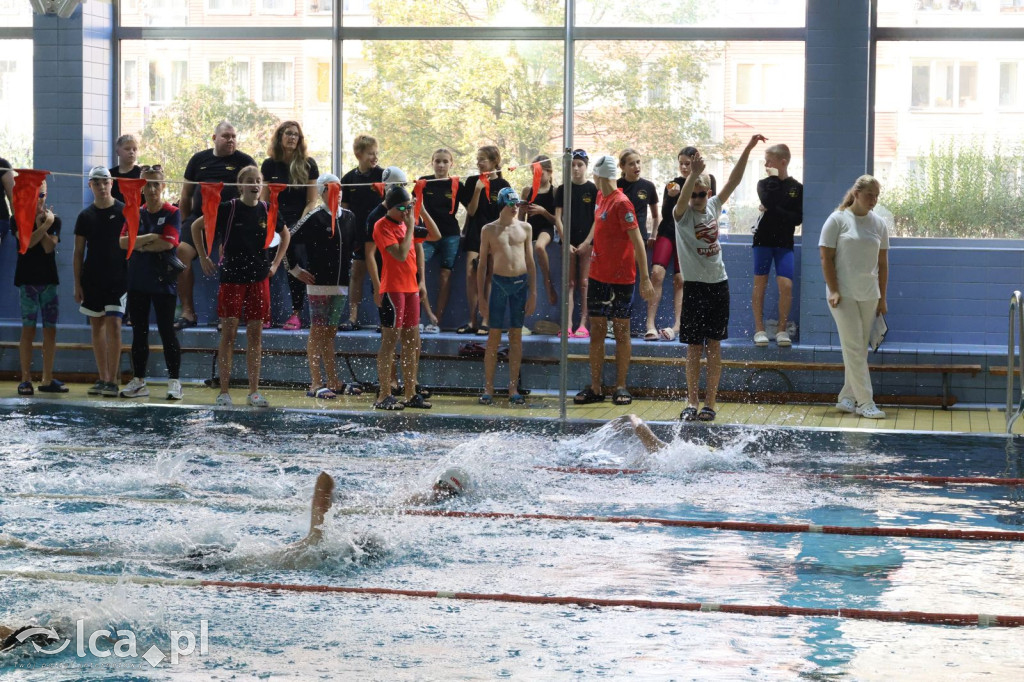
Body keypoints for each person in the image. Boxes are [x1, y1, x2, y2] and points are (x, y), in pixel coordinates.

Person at [674, 135, 765, 422]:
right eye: (694, 195)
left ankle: (710, 403)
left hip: (718, 285)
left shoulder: (713, 206)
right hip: (694, 287)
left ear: (709, 193)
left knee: (713, 345)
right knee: (693, 347)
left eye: (703, 194)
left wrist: (748, 149)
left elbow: (735, 181)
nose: (699, 200)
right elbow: (682, 200)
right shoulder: (682, 215)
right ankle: (691, 401)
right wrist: (694, 177)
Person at [193, 165, 289, 408]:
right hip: (232, 279)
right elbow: (196, 227)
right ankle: (224, 391)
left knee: (255, 337)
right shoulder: (229, 208)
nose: (255, 184)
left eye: (258, 180)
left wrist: (276, 264)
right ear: (240, 185)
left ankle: (253, 392)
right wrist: (204, 256)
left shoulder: (268, 210)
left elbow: (285, 234)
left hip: (259, 278)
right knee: (229, 335)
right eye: (249, 181)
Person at [573, 155, 655, 407]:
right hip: (598, 276)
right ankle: (596, 387)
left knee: (621, 332)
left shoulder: (622, 203)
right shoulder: (600, 197)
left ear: (600, 176)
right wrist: (587, 243)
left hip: (621, 279)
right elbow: (597, 226)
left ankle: (621, 386)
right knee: (596, 332)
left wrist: (645, 279)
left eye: (594, 177)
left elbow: (639, 242)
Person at [174, 121, 257, 329]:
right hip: (199, 218)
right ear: (214, 138)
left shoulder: (245, 161)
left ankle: (227, 315)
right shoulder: (198, 160)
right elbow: (185, 195)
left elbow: (257, 193)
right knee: (181, 252)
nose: (231, 140)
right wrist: (184, 222)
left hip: (232, 218)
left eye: (233, 136)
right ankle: (187, 312)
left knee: (229, 255)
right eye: (226, 136)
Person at [819, 175, 889, 420]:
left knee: (859, 349)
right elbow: (825, 258)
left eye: (877, 196)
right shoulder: (837, 220)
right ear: (856, 193)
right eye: (870, 195)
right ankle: (866, 402)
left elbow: (883, 263)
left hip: (869, 294)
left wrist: (882, 298)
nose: (874, 200)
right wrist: (834, 289)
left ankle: (847, 397)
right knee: (854, 348)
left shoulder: (879, 224)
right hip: (843, 296)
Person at [287, 173, 362, 399]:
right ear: (322, 192)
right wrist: (295, 270)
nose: (336, 192)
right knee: (318, 332)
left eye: (339, 187)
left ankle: (334, 380)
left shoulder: (349, 217)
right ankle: (315, 382)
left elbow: (355, 246)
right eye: (331, 188)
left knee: (330, 333)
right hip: (318, 284)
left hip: (340, 285)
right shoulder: (314, 217)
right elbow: (287, 239)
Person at [118, 165, 184, 400]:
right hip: (138, 281)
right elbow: (123, 243)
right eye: (148, 184)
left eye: (157, 183)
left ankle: (174, 381)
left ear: (163, 186)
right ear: (141, 187)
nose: (153, 188)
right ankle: (139, 381)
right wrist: (149, 238)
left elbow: (168, 244)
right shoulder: (135, 212)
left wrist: (139, 242)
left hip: (162, 282)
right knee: (139, 333)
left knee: (167, 332)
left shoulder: (172, 212)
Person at [645, 147, 717, 342]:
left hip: (689, 236)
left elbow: (710, 207)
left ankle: (678, 325)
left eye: (688, 163)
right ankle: (650, 323)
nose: (684, 167)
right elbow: (667, 213)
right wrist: (673, 195)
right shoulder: (673, 183)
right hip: (669, 231)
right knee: (657, 274)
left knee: (681, 279)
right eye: (682, 163)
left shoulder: (707, 181)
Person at [372, 185, 431, 410]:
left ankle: (410, 393)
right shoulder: (381, 226)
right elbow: (401, 253)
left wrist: (420, 211)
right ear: (390, 207)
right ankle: (384, 395)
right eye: (403, 208)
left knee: (411, 342)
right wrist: (409, 228)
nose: (407, 211)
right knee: (390, 343)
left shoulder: (408, 222)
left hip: (411, 288)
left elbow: (435, 235)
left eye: (409, 206)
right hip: (393, 290)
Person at [478, 187, 536, 405]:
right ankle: (488, 387)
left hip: (520, 285)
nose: (515, 208)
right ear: (502, 204)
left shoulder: (526, 228)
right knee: (493, 338)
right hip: (499, 285)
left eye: (516, 204)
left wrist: (534, 292)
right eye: (511, 204)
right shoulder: (489, 230)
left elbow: (531, 263)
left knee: (516, 337)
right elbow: (482, 266)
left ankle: (513, 387)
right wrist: (482, 299)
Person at [73, 166, 128, 398]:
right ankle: (103, 377)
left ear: (111, 183)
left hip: (118, 277)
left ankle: (113, 380)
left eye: (105, 182)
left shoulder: (125, 211)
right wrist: (77, 284)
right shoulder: (85, 216)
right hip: (92, 278)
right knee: (97, 326)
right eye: (97, 183)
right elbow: (78, 253)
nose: (102, 186)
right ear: (90, 186)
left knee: (114, 325)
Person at [261, 121, 319, 332]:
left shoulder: (309, 164)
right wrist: (273, 224)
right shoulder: (269, 165)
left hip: (298, 221)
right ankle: (263, 313)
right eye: (288, 133)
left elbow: (312, 201)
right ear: (280, 137)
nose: (293, 137)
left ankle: (296, 313)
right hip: (274, 218)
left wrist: (296, 226)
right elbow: (264, 200)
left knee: (294, 249)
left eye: (296, 135)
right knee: (264, 259)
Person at [13, 179, 66, 396]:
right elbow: (27, 243)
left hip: (49, 283)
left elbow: (47, 247)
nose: (40, 200)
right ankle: (26, 379)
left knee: (50, 331)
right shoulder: (17, 219)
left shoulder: (57, 220)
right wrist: (43, 224)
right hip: (27, 283)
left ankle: (46, 377)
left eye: (42, 195)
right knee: (28, 330)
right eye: (36, 195)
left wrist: (45, 224)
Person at [751, 143, 803, 348]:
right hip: (762, 240)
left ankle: (782, 329)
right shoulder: (763, 183)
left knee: (786, 285)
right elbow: (769, 201)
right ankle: (759, 329)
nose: (765, 165)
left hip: (784, 242)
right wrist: (779, 209)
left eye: (769, 161)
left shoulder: (797, 188)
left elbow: (797, 219)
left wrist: (774, 210)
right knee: (760, 284)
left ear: (783, 162)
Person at [458, 145, 510, 335]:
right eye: (477, 159)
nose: (479, 163)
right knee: (471, 276)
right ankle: (472, 320)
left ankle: (486, 319)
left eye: (483, 159)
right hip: (474, 234)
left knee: (489, 276)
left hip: (494, 236)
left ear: (494, 161)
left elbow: (506, 216)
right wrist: (478, 190)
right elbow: (471, 212)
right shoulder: (473, 181)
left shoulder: (503, 184)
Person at [339, 134, 384, 332]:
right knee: (356, 275)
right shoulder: (348, 179)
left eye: (376, 153)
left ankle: (384, 317)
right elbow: (344, 211)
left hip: (380, 236)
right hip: (358, 236)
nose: (374, 157)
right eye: (370, 154)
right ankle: (353, 317)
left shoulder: (383, 175)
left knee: (381, 277)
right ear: (358, 154)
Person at [418, 148, 464, 333]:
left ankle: (436, 321)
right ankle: (420, 317)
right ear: (432, 162)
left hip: (450, 235)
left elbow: (473, 208)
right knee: (417, 274)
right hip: (427, 236)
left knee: (445, 277)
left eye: (445, 161)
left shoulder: (456, 185)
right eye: (438, 161)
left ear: (451, 164)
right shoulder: (423, 182)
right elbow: (413, 209)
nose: (441, 165)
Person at [554, 149, 598, 339]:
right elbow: (558, 217)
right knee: (570, 283)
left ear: (586, 166)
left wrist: (588, 242)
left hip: (587, 243)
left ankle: (583, 323)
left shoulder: (593, 189)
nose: (576, 168)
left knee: (585, 283)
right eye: (572, 165)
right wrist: (566, 242)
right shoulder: (563, 189)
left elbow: (598, 219)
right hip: (568, 243)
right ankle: (568, 324)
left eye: (579, 165)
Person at [519, 154, 559, 307]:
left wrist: (543, 212)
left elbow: (557, 221)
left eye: (540, 174)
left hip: (546, 228)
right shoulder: (527, 190)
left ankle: (548, 285)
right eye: (533, 174)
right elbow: (521, 219)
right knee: (523, 255)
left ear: (549, 172)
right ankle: (528, 292)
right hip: (530, 227)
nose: (537, 177)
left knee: (539, 247)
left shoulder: (554, 192)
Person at [405, 466, 473, 505]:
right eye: (438, 484)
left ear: (455, 493)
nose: (437, 490)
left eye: (445, 487)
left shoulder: (460, 503)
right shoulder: (421, 498)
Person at [109, 134, 142, 204]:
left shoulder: (141, 173)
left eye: (134, 149)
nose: (131, 152)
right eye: (127, 149)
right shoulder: (110, 174)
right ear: (118, 152)